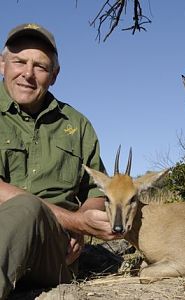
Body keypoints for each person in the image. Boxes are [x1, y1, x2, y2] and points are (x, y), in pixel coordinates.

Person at [0, 23, 120, 299]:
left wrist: (85, 219)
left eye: (40, 67)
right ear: (2, 65)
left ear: (54, 75)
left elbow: (95, 190)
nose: (28, 74)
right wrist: (74, 221)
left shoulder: (77, 125)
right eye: (19, 62)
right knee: (25, 207)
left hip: (54, 252)